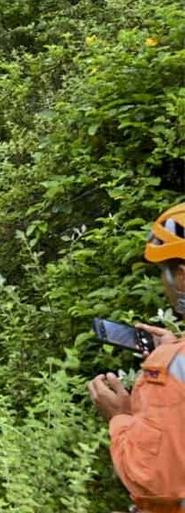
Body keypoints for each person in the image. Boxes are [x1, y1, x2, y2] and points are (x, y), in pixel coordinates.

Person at [88, 203, 185, 512]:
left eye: (163, 272)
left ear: (182, 277)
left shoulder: (169, 368)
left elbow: (153, 483)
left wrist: (120, 417)